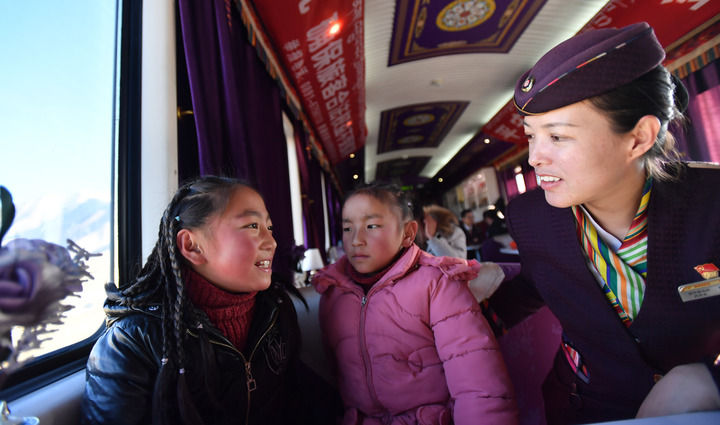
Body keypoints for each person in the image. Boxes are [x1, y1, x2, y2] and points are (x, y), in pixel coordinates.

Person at [477, 22, 720, 424]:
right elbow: (545, 282)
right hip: (580, 405)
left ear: (639, 137)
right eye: (530, 136)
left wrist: (706, 380)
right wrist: (455, 304)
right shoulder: (532, 217)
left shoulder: (711, 204)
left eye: (557, 137)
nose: (535, 158)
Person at [81, 176, 337, 425]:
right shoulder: (132, 342)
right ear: (192, 246)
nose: (271, 242)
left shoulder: (275, 310)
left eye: (269, 228)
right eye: (252, 226)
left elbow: (294, 402)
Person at [311, 183, 518, 425]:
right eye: (347, 228)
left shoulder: (438, 284)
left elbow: (479, 387)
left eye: (371, 226)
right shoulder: (333, 294)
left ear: (408, 233)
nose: (356, 240)